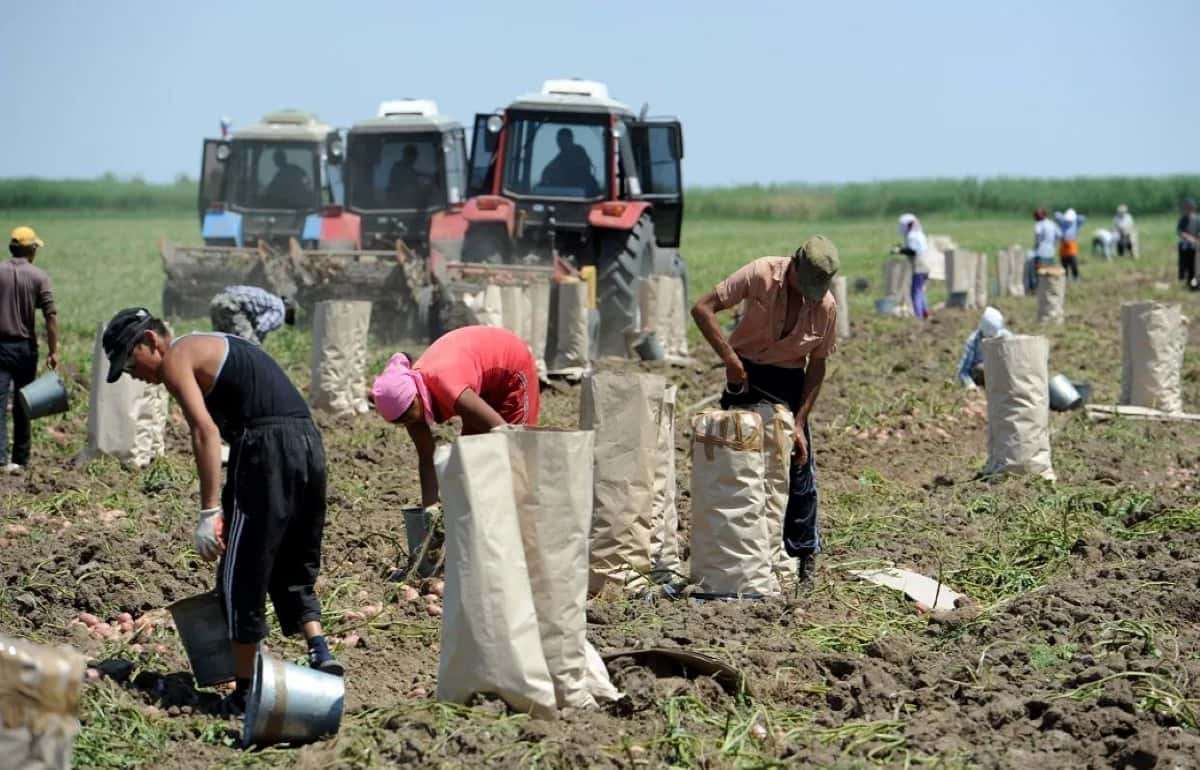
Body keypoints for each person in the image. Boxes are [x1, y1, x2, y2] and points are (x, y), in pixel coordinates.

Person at [102, 308, 342, 713]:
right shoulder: (210, 344)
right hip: (306, 444)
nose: (133, 374)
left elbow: (204, 431)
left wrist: (209, 511)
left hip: (267, 450)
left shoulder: (178, 356)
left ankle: (246, 692)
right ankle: (319, 648)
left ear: (149, 341)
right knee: (291, 559)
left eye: (129, 362)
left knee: (240, 572)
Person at [690, 236, 839, 587]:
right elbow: (702, 308)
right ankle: (736, 551)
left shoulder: (826, 306)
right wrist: (730, 360)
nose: (808, 294)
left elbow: (817, 366)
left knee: (798, 468)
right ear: (793, 266)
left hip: (788, 380)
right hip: (744, 372)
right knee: (737, 464)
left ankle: (801, 557)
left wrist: (799, 422)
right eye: (805, 285)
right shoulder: (761, 274)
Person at [370, 325, 539, 506]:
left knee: (517, 453)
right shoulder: (410, 406)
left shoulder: (447, 388)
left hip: (511, 369)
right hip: (481, 380)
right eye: (400, 421)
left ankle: (531, 515)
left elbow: (505, 433)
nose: (408, 422)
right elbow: (427, 460)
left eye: (408, 415)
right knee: (472, 463)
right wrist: (430, 511)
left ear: (415, 396)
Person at [0, 226, 58, 475]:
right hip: (25, 348)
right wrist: (54, 350)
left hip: (0, 347)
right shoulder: (39, 276)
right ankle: (20, 460)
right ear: (31, 249)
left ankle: (0, 459)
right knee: (24, 403)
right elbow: (50, 315)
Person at [209, 285, 295, 345]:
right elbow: (261, 326)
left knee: (221, 342)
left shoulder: (269, 298)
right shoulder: (280, 310)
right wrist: (256, 343)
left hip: (218, 301)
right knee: (248, 348)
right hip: (232, 306)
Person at [956, 306, 1013, 388]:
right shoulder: (973, 341)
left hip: (1001, 374)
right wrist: (970, 385)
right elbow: (963, 371)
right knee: (981, 369)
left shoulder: (1006, 336)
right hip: (982, 376)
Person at [539, 127, 599, 195]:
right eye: (559, 140)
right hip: (564, 192)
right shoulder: (559, 158)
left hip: (581, 193)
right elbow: (546, 173)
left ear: (570, 139)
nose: (560, 143)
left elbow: (580, 171)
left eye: (564, 140)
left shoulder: (578, 153)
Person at [896, 213, 932, 319]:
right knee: (920, 290)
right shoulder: (919, 234)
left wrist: (899, 250)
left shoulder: (912, 236)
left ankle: (919, 315)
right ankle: (925, 312)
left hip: (919, 267)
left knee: (915, 291)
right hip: (926, 266)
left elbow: (912, 251)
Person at [1028, 208, 1061, 291]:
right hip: (1051, 252)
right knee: (1049, 272)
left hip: (1041, 253)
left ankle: (1038, 290)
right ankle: (1049, 289)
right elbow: (1059, 235)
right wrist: (1053, 244)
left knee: (1040, 273)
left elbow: (1038, 238)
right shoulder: (1052, 223)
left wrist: (1036, 247)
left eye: (1036, 216)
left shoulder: (1039, 224)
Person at [1053, 208, 1086, 280]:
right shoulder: (1062, 221)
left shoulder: (1076, 223)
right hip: (1063, 243)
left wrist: (1075, 216)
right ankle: (1065, 278)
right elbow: (1056, 215)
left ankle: (1076, 277)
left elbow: (1083, 218)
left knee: (1073, 262)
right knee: (1064, 263)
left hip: (1072, 244)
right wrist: (1063, 217)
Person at [1176, 198, 1200, 288]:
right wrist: (1189, 238)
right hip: (1186, 244)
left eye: (1190, 208)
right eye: (1187, 208)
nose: (1188, 210)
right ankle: (1185, 276)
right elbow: (1180, 232)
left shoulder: (1198, 219)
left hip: (1197, 244)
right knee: (1185, 257)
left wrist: (1197, 238)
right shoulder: (1183, 219)